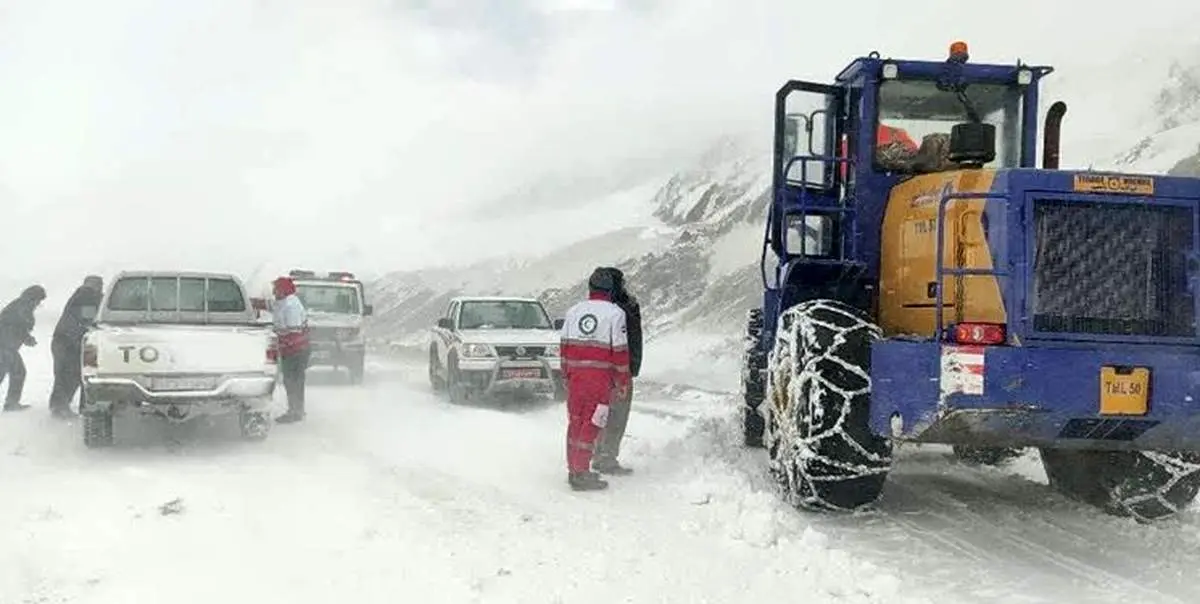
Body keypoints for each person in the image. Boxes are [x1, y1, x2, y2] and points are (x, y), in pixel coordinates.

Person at [559, 268, 632, 491]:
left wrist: (565, 374)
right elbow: (620, 351)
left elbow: (563, 346)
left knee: (575, 421)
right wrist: (623, 380)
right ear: (610, 290)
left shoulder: (573, 311)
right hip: (599, 379)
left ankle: (573, 469)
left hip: (576, 378)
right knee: (593, 423)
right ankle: (582, 473)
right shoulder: (615, 313)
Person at [592, 267, 642, 476]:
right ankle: (606, 457)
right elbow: (631, 341)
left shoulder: (597, 308)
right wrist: (630, 368)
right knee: (617, 415)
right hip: (619, 369)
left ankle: (597, 453)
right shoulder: (625, 308)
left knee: (601, 413)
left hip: (601, 369)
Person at [48, 276, 104, 419]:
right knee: (75, 374)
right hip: (73, 342)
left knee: (66, 374)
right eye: (99, 285)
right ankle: (65, 407)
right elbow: (88, 320)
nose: (100, 287)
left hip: (65, 340)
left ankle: (59, 405)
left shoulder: (81, 295)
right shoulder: (88, 296)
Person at [0, 285, 47, 412]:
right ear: (33, 298)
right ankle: (11, 403)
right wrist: (27, 338)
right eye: (38, 300)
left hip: (8, 346)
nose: (38, 304)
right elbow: (15, 327)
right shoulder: (21, 307)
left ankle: (11, 403)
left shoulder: (20, 305)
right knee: (15, 372)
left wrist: (26, 338)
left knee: (17, 372)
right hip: (5, 346)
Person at [272, 276, 311, 424]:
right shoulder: (283, 302)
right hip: (293, 349)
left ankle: (295, 411)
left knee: (293, 380)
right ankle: (296, 409)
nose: (274, 291)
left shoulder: (291, 306)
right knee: (293, 380)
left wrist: (280, 343)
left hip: (296, 350)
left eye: (276, 288)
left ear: (283, 290)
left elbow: (293, 332)